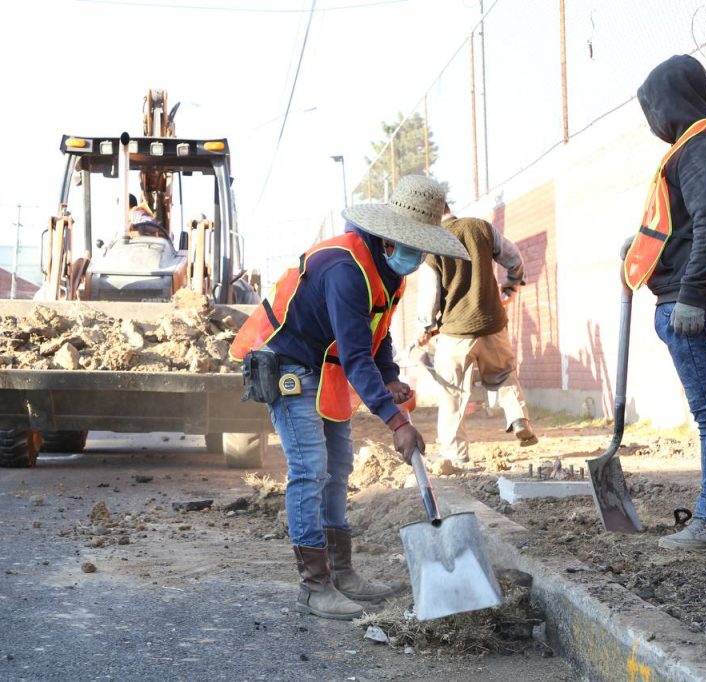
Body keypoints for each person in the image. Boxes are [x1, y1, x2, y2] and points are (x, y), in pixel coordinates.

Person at [230, 176, 469, 620]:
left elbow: (376, 339)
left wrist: (392, 378)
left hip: (326, 369)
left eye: (420, 246)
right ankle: (314, 586)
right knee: (310, 468)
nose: (415, 256)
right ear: (386, 237)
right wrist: (397, 423)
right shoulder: (345, 268)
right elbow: (357, 356)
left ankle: (341, 572)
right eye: (409, 244)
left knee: (339, 467)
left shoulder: (388, 273)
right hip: (288, 364)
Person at [624, 55, 706, 551]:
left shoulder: (700, 145)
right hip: (691, 297)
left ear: (668, 102)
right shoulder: (700, 144)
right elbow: (684, 226)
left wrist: (694, 297)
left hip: (693, 302)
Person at [415, 203, 536, 462]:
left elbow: (430, 295)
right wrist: (512, 284)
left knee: (452, 393)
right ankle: (518, 418)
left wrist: (426, 327)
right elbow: (514, 258)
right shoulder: (482, 228)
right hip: (493, 324)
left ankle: (455, 455)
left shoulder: (430, 246)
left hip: (456, 334)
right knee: (504, 374)